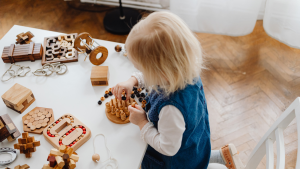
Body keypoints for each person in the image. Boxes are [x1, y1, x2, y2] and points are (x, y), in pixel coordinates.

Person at [112, 11, 243, 169]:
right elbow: (155, 76)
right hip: (195, 142)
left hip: (177, 163)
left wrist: (142, 123)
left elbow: (168, 147)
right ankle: (212, 158)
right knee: (196, 155)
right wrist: (133, 81)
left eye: (143, 70)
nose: (142, 73)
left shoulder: (170, 109)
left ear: (160, 73)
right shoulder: (185, 69)